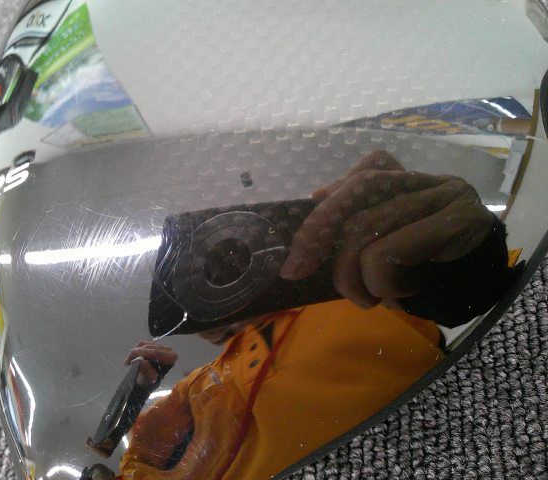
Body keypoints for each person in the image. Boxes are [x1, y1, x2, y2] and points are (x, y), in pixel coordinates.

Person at [115, 151, 521, 480]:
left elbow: (482, 310)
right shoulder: (199, 384)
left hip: (474, 448)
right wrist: (135, 401)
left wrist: (467, 257)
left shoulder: (346, 279)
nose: (218, 279)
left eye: (220, 260)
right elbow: (142, 461)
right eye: (188, 289)